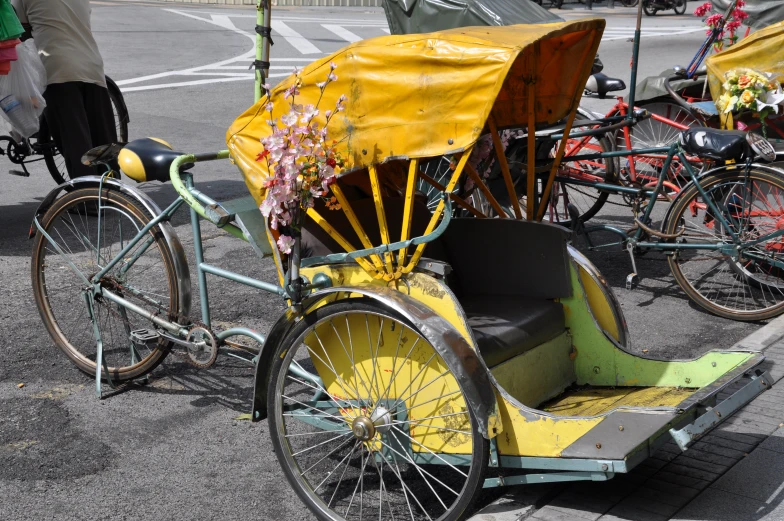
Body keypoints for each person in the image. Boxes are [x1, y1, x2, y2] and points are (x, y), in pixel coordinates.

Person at [11, 0, 116, 178]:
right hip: (93, 67)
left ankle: (87, 201)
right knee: (103, 142)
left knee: (75, 144)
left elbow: (17, 30)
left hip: (57, 70)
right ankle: (115, 193)